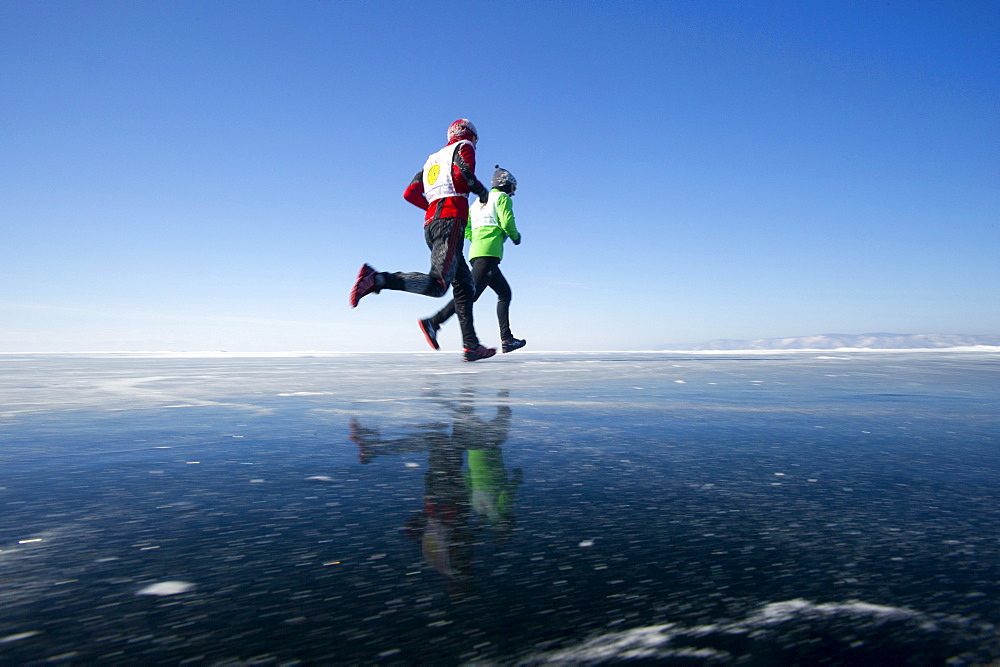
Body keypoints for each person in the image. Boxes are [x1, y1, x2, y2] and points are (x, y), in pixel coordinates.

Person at [349, 119, 496, 362]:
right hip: (450, 221)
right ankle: (376, 279)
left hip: (432, 223)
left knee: (466, 286)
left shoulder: (432, 160)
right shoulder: (464, 147)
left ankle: (470, 345)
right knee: (438, 285)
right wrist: (481, 192)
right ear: (469, 135)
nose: (475, 145)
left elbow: (410, 193)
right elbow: (463, 175)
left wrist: (433, 207)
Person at [418, 166, 526, 354]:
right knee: (468, 296)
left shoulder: (477, 203)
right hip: (489, 254)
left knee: (504, 293)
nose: (513, 193)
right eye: (513, 188)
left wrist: (477, 239)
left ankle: (507, 339)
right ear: (506, 185)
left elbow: (466, 228)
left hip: (477, 253)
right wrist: (515, 237)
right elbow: (507, 221)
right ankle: (434, 322)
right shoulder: (502, 199)